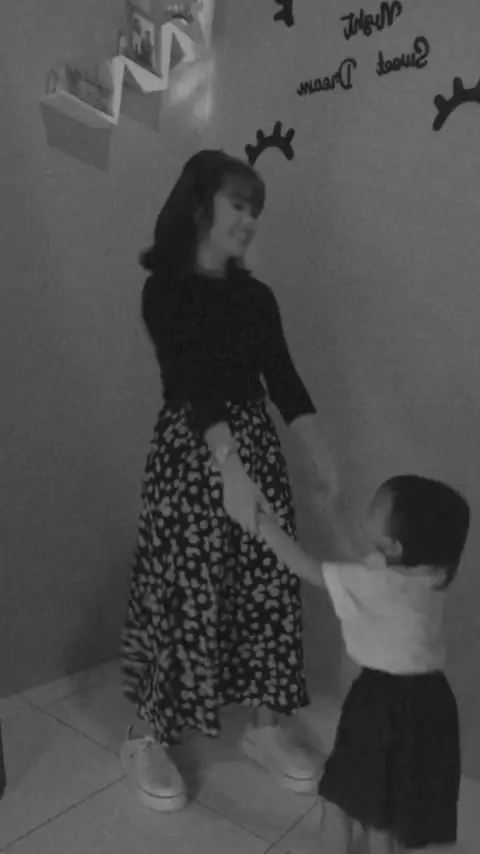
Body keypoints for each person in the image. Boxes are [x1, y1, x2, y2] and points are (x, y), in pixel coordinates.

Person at [119, 150, 338, 812]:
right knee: (183, 588)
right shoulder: (165, 289)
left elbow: (283, 377)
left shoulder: (256, 297)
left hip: (254, 449)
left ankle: (265, 728)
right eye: (238, 204)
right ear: (200, 207)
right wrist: (229, 469)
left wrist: (319, 450)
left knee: (268, 586)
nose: (249, 219)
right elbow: (191, 383)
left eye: (255, 209)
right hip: (193, 453)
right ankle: (146, 733)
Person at [258, 474, 470, 853]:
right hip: (430, 702)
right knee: (385, 810)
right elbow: (367, 564)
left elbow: (307, 567)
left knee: (339, 798)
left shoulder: (380, 584)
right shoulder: (431, 575)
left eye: (375, 507)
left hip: (381, 702)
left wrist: (261, 522)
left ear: (393, 545)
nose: (368, 507)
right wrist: (333, 518)